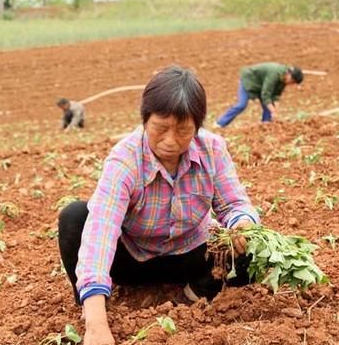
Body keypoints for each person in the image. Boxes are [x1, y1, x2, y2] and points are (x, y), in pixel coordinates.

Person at [58, 66, 261, 345]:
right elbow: (101, 231)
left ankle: (195, 293)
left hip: (189, 254)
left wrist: (242, 223)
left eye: (183, 130)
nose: (170, 141)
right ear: (145, 120)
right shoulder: (125, 160)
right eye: (160, 128)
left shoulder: (212, 149)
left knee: (251, 247)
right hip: (131, 260)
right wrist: (96, 324)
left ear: (197, 125)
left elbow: (234, 204)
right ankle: (90, 303)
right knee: (75, 217)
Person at [215, 62, 304, 127]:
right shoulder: (274, 73)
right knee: (242, 104)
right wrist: (273, 111)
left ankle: (265, 125)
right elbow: (265, 94)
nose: (290, 84)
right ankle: (220, 123)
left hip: (260, 86)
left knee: (268, 107)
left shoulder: (284, 79)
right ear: (289, 75)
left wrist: (275, 110)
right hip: (249, 81)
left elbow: (276, 95)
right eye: (292, 82)